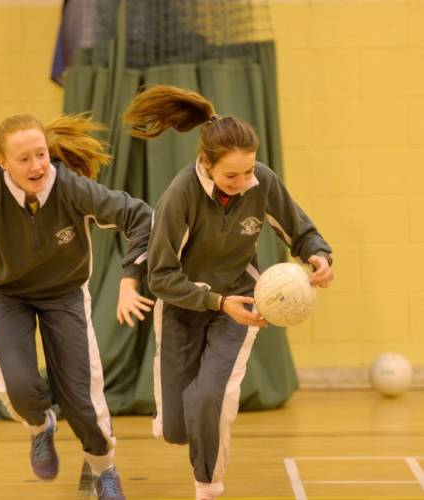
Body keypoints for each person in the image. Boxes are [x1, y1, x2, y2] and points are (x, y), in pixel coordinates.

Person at [0, 113, 155, 500]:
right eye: (24, 159)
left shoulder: (72, 189)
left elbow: (140, 215)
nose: (37, 166)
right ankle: (40, 426)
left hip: (63, 293)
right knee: (18, 387)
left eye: (42, 155)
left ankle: (103, 471)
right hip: (5, 293)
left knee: (82, 399)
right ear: (2, 162)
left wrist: (130, 277)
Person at [122, 85, 334, 500]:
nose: (242, 182)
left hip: (240, 300)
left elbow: (299, 228)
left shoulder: (260, 182)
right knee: (176, 429)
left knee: (212, 396)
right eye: (230, 175)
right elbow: (161, 277)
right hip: (183, 303)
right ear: (206, 163)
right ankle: (188, 435)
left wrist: (319, 255)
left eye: (248, 171)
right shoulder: (178, 198)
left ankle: (208, 487)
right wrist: (211, 300)